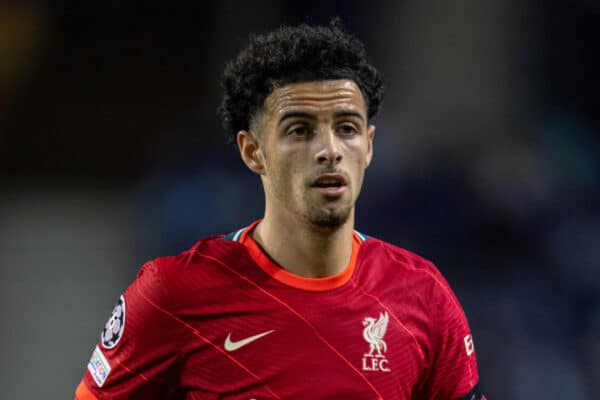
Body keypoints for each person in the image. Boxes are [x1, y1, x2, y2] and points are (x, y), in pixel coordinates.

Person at [75, 20, 486, 400]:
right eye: (300, 131)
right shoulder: (174, 294)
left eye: (347, 128)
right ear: (253, 151)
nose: (329, 151)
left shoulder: (423, 295)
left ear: (370, 145)